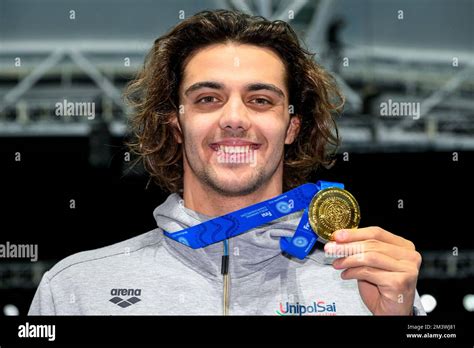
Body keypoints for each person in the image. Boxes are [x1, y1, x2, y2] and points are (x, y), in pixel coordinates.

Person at [29, 10, 425, 315]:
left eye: (260, 100)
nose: (234, 118)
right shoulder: (76, 289)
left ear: (291, 127)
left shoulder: (364, 285)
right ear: (177, 124)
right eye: (207, 99)